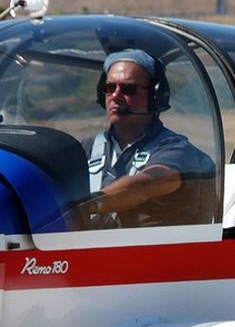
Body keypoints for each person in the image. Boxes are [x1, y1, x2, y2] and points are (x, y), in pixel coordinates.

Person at [80, 49, 215, 228]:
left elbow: (145, 185)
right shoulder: (86, 148)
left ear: (155, 95)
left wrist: (86, 206)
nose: (115, 96)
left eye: (128, 89)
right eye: (109, 88)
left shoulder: (176, 150)